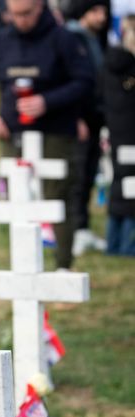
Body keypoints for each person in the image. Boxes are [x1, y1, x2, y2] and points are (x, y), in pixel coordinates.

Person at [0, 0, 95, 270]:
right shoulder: (0, 42)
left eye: (26, 14)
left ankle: (62, 265)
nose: (20, 20)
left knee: (57, 200)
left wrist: (47, 101)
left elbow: (84, 81)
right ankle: (23, 266)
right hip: (14, 134)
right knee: (17, 200)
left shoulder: (63, 39)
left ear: (40, 7)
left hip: (55, 133)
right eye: (14, 14)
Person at [66, 0, 109, 255]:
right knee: (78, 177)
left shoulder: (94, 38)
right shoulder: (72, 38)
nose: (102, 17)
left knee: (89, 175)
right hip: (78, 120)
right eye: (96, 11)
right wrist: (76, 117)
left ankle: (83, 227)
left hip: (95, 118)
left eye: (104, 11)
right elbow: (75, 81)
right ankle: (75, 229)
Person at [101, 15, 135, 255]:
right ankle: (126, 246)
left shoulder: (108, 66)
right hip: (130, 135)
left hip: (115, 133)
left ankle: (113, 244)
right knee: (132, 191)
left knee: (118, 186)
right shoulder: (130, 69)